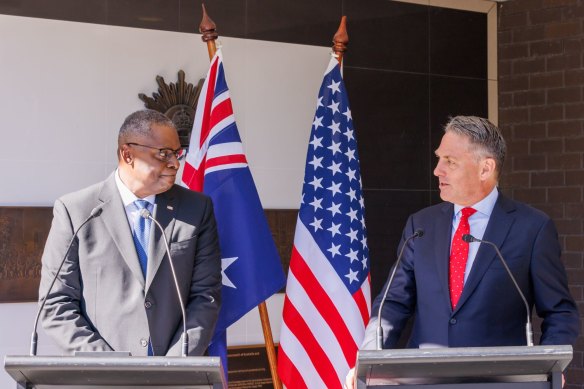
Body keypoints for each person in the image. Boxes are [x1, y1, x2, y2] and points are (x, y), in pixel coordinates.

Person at [346, 116, 578, 388]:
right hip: (424, 379)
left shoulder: (532, 228)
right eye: (439, 158)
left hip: (500, 380)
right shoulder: (420, 225)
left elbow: (559, 311)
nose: (437, 170)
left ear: (485, 169)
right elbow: (392, 304)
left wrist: (550, 365)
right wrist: (370, 360)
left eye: (450, 161)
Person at [39, 109, 222, 356]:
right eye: (164, 154)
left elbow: (205, 296)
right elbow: (56, 305)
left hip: (174, 376)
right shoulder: (75, 211)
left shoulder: (197, 209)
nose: (175, 163)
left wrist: (174, 366)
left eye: (177, 153)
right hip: (103, 378)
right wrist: (113, 367)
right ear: (128, 154)